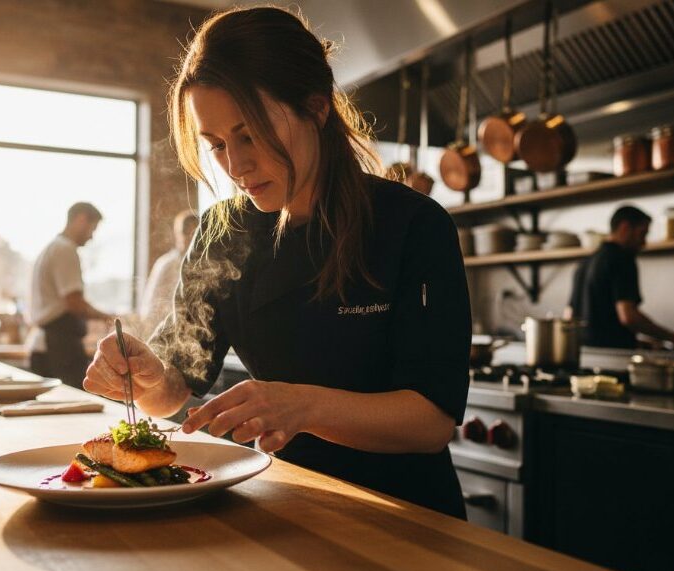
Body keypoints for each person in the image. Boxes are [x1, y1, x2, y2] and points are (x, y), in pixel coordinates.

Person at [83, 7, 471, 518]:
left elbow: (430, 424)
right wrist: (148, 376)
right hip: (286, 503)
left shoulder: (412, 224)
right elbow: (174, 387)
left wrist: (302, 406)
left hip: (407, 515)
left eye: (251, 134)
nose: (235, 165)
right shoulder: (224, 232)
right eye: (216, 145)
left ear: (316, 108)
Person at [566, 205, 674, 349]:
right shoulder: (622, 258)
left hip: (585, 352)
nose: (643, 243)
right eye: (642, 234)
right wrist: (673, 337)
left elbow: (569, 315)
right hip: (614, 356)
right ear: (625, 228)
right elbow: (628, 317)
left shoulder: (584, 263)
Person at [30, 202, 112, 389]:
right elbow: (74, 302)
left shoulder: (52, 247)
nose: (91, 237)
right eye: (92, 229)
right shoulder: (65, 249)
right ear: (81, 219)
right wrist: (107, 317)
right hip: (59, 348)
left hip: (50, 346)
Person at [139, 210, 199, 336]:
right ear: (178, 235)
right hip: (165, 332)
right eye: (186, 233)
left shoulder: (204, 265)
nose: (191, 238)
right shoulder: (167, 265)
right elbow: (151, 308)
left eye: (195, 233)